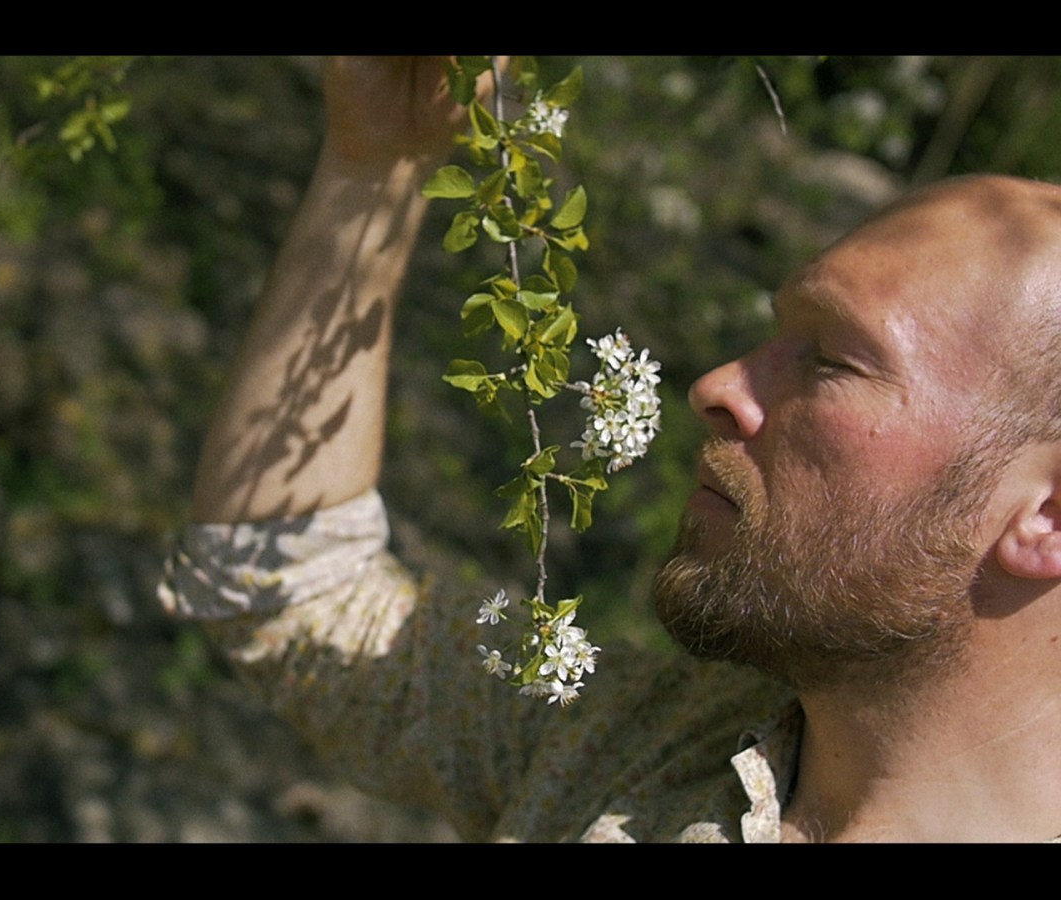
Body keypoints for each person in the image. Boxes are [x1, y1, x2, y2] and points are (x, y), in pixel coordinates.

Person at [159, 57, 1061, 842]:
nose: (715, 383)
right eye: (772, 336)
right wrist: (378, 161)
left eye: (830, 360)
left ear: (1049, 516)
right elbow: (287, 590)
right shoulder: (643, 749)